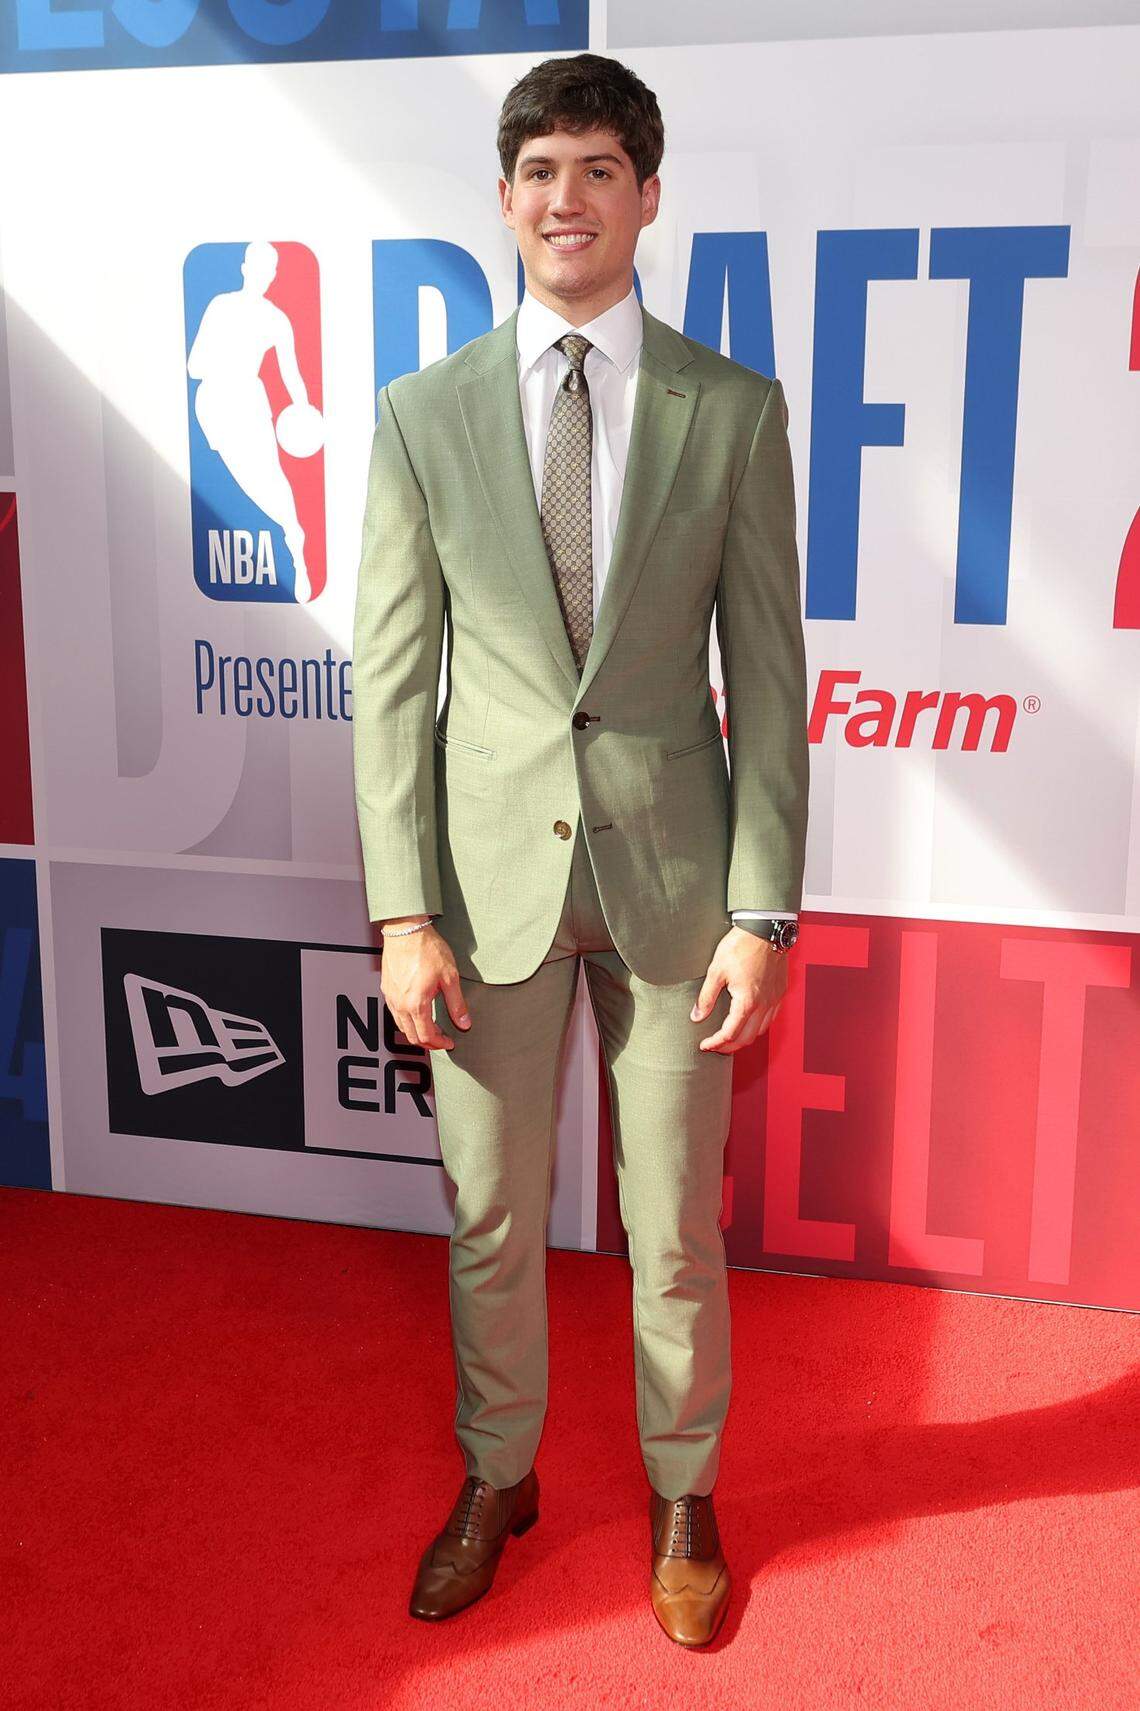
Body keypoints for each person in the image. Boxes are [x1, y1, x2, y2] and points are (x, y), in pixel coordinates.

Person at [352, 51, 809, 1648]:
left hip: (682, 890)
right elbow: (396, 683)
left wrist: (766, 908)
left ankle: (685, 1491)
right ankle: (500, 1475)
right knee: (489, 1212)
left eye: (601, 170)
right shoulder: (423, 418)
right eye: (541, 170)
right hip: (484, 898)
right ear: (505, 198)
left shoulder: (730, 411)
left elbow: (769, 673)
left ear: (648, 198)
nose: (569, 199)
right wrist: (401, 911)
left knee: (675, 1221)